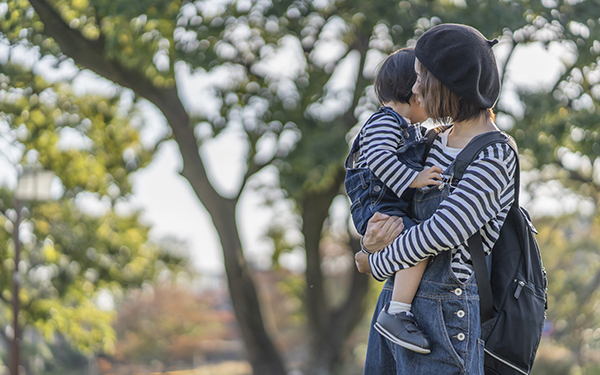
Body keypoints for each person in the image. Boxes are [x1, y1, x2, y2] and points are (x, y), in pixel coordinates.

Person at [354, 23, 518, 374]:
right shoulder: (431, 141)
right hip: (395, 307)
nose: (413, 89)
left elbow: (439, 233)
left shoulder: (494, 156)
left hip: (444, 317)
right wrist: (369, 243)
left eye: (419, 78)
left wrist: (371, 261)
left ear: (447, 83)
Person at [345, 48, 444, 354]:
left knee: (413, 246)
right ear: (415, 94)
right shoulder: (384, 122)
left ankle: (397, 308)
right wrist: (414, 179)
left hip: (387, 203)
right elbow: (377, 158)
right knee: (416, 245)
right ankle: (396, 312)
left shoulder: (406, 127)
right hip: (377, 205)